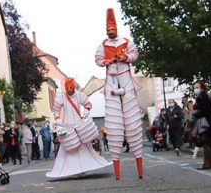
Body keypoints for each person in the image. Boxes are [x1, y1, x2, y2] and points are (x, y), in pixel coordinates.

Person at [94, 9, 144, 180]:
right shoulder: (103, 44)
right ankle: (117, 172)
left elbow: (135, 55)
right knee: (114, 125)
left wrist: (124, 57)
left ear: (116, 28)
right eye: (108, 29)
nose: (110, 31)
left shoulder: (126, 41)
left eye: (112, 29)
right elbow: (98, 59)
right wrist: (106, 61)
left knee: (132, 123)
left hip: (125, 79)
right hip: (111, 81)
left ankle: (140, 170)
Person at [48, 79, 110, 179]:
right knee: (68, 148)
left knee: (83, 147)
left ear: (74, 87)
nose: (69, 91)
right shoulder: (62, 96)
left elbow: (88, 104)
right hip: (67, 125)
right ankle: (70, 169)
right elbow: (56, 110)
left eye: (71, 89)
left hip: (78, 124)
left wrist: (86, 110)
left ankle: (84, 168)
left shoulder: (79, 95)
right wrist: (58, 119)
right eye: (67, 89)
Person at [186, 81, 211, 169]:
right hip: (209, 122)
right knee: (209, 142)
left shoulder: (202, 97)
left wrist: (195, 114)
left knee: (206, 141)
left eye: (197, 87)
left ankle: (207, 163)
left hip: (206, 123)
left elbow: (204, 110)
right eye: (195, 88)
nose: (195, 89)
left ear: (202, 88)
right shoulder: (204, 96)